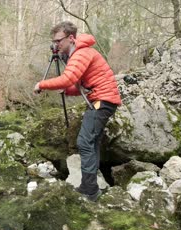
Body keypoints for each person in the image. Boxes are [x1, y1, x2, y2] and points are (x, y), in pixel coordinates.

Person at [33, 21, 121, 201]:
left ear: (71, 38)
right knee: (92, 142)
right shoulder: (79, 52)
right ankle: (90, 187)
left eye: (59, 41)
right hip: (102, 99)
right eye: (54, 41)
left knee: (84, 142)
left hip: (102, 100)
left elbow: (68, 78)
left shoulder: (81, 53)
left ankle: (90, 190)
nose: (56, 45)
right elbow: (79, 85)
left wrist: (42, 84)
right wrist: (67, 90)